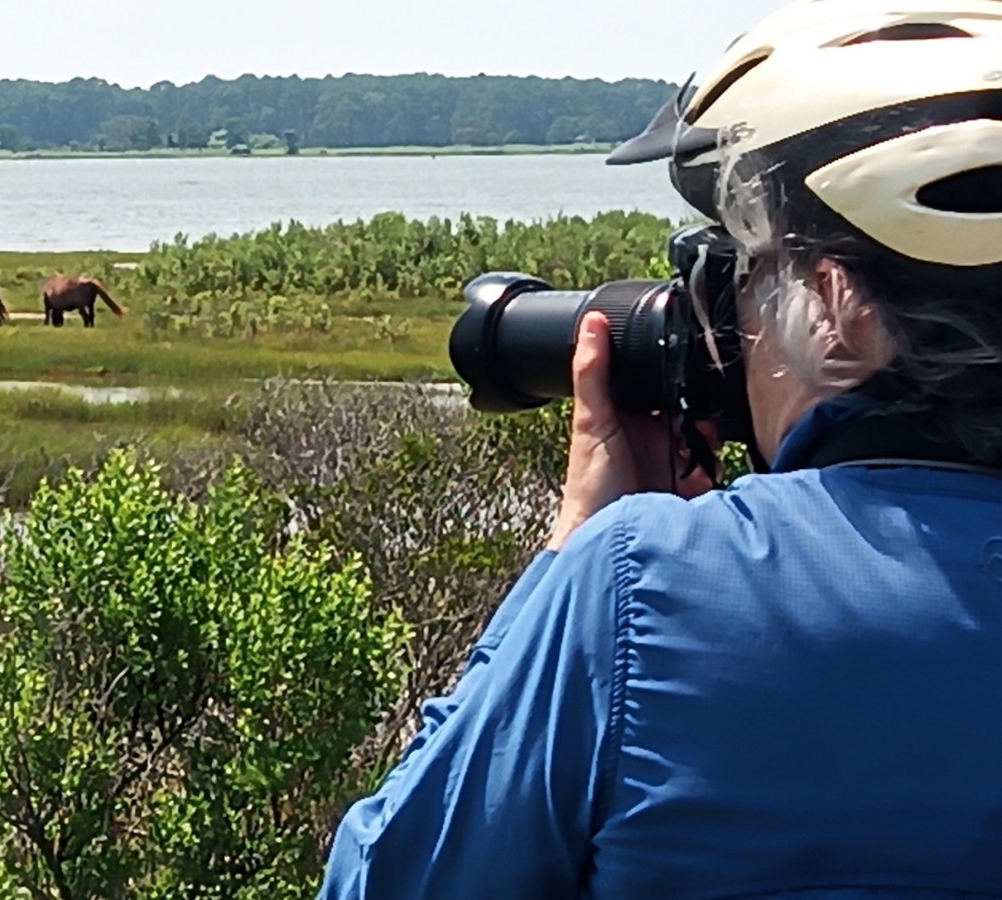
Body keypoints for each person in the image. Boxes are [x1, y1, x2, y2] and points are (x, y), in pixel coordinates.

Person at [318, 0, 1002, 896]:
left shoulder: (645, 582)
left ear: (837, 310)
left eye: (739, 273)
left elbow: (395, 881)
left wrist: (576, 552)